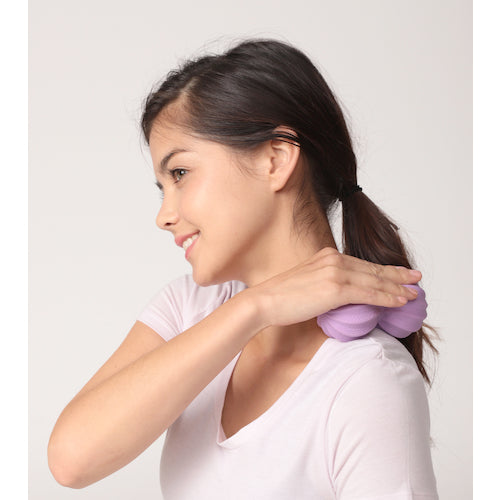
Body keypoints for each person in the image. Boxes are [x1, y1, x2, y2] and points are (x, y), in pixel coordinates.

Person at [48, 39, 439, 498]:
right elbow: (71, 461)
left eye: (180, 174)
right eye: (162, 186)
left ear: (275, 160)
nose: (164, 216)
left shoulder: (367, 379)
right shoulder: (189, 309)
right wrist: (256, 307)